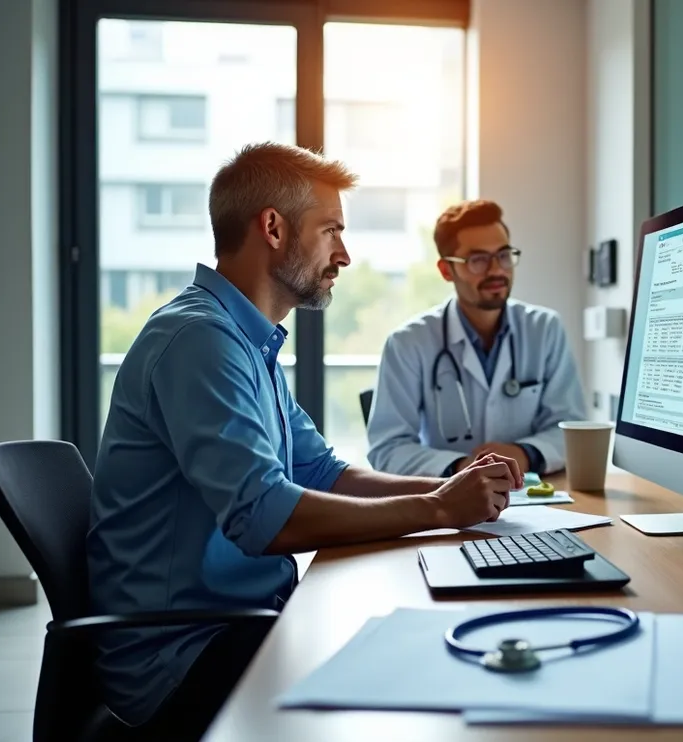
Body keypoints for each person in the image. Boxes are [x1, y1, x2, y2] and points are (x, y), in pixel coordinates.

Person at [87, 143, 521, 741]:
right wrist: (440, 509)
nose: (344, 254)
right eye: (331, 231)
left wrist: (448, 491)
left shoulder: (248, 341)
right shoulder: (200, 341)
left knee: (418, 646)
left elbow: (323, 472)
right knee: (421, 687)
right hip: (186, 659)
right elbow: (263, 517)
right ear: (273, 227)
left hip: (241, 624)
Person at [366, 199, 587, 478]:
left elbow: (570, 427)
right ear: (447, 270)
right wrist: (463, 468)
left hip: (533, 492)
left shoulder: (544, 329)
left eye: (504, 255)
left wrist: (522, 454)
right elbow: (388, 449)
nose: (496, 270)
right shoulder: (408, 343)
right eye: (478, 260)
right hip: (446, 498)